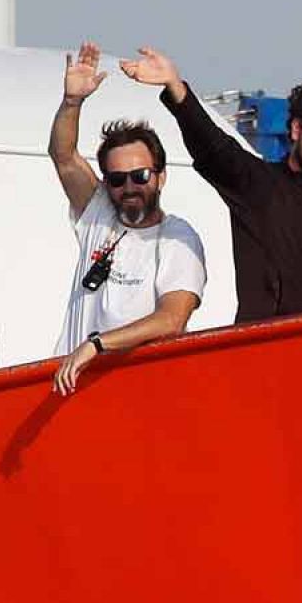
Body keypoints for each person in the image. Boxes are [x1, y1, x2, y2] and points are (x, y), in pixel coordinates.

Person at [119, 47, 302, 321]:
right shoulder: (259, 183)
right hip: (264, 350)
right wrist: (176, 87)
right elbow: (213, 146)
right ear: (297, 129)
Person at [48, 42, 206, 396]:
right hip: (70, 389)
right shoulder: (100, 213)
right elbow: (63, 155)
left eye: (141, 176)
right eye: (117, 179)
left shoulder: (177, 237)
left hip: (133, 396)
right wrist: (72, 103)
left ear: (161, 176)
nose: (130, 187)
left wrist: (97, 345)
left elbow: (172, 320)